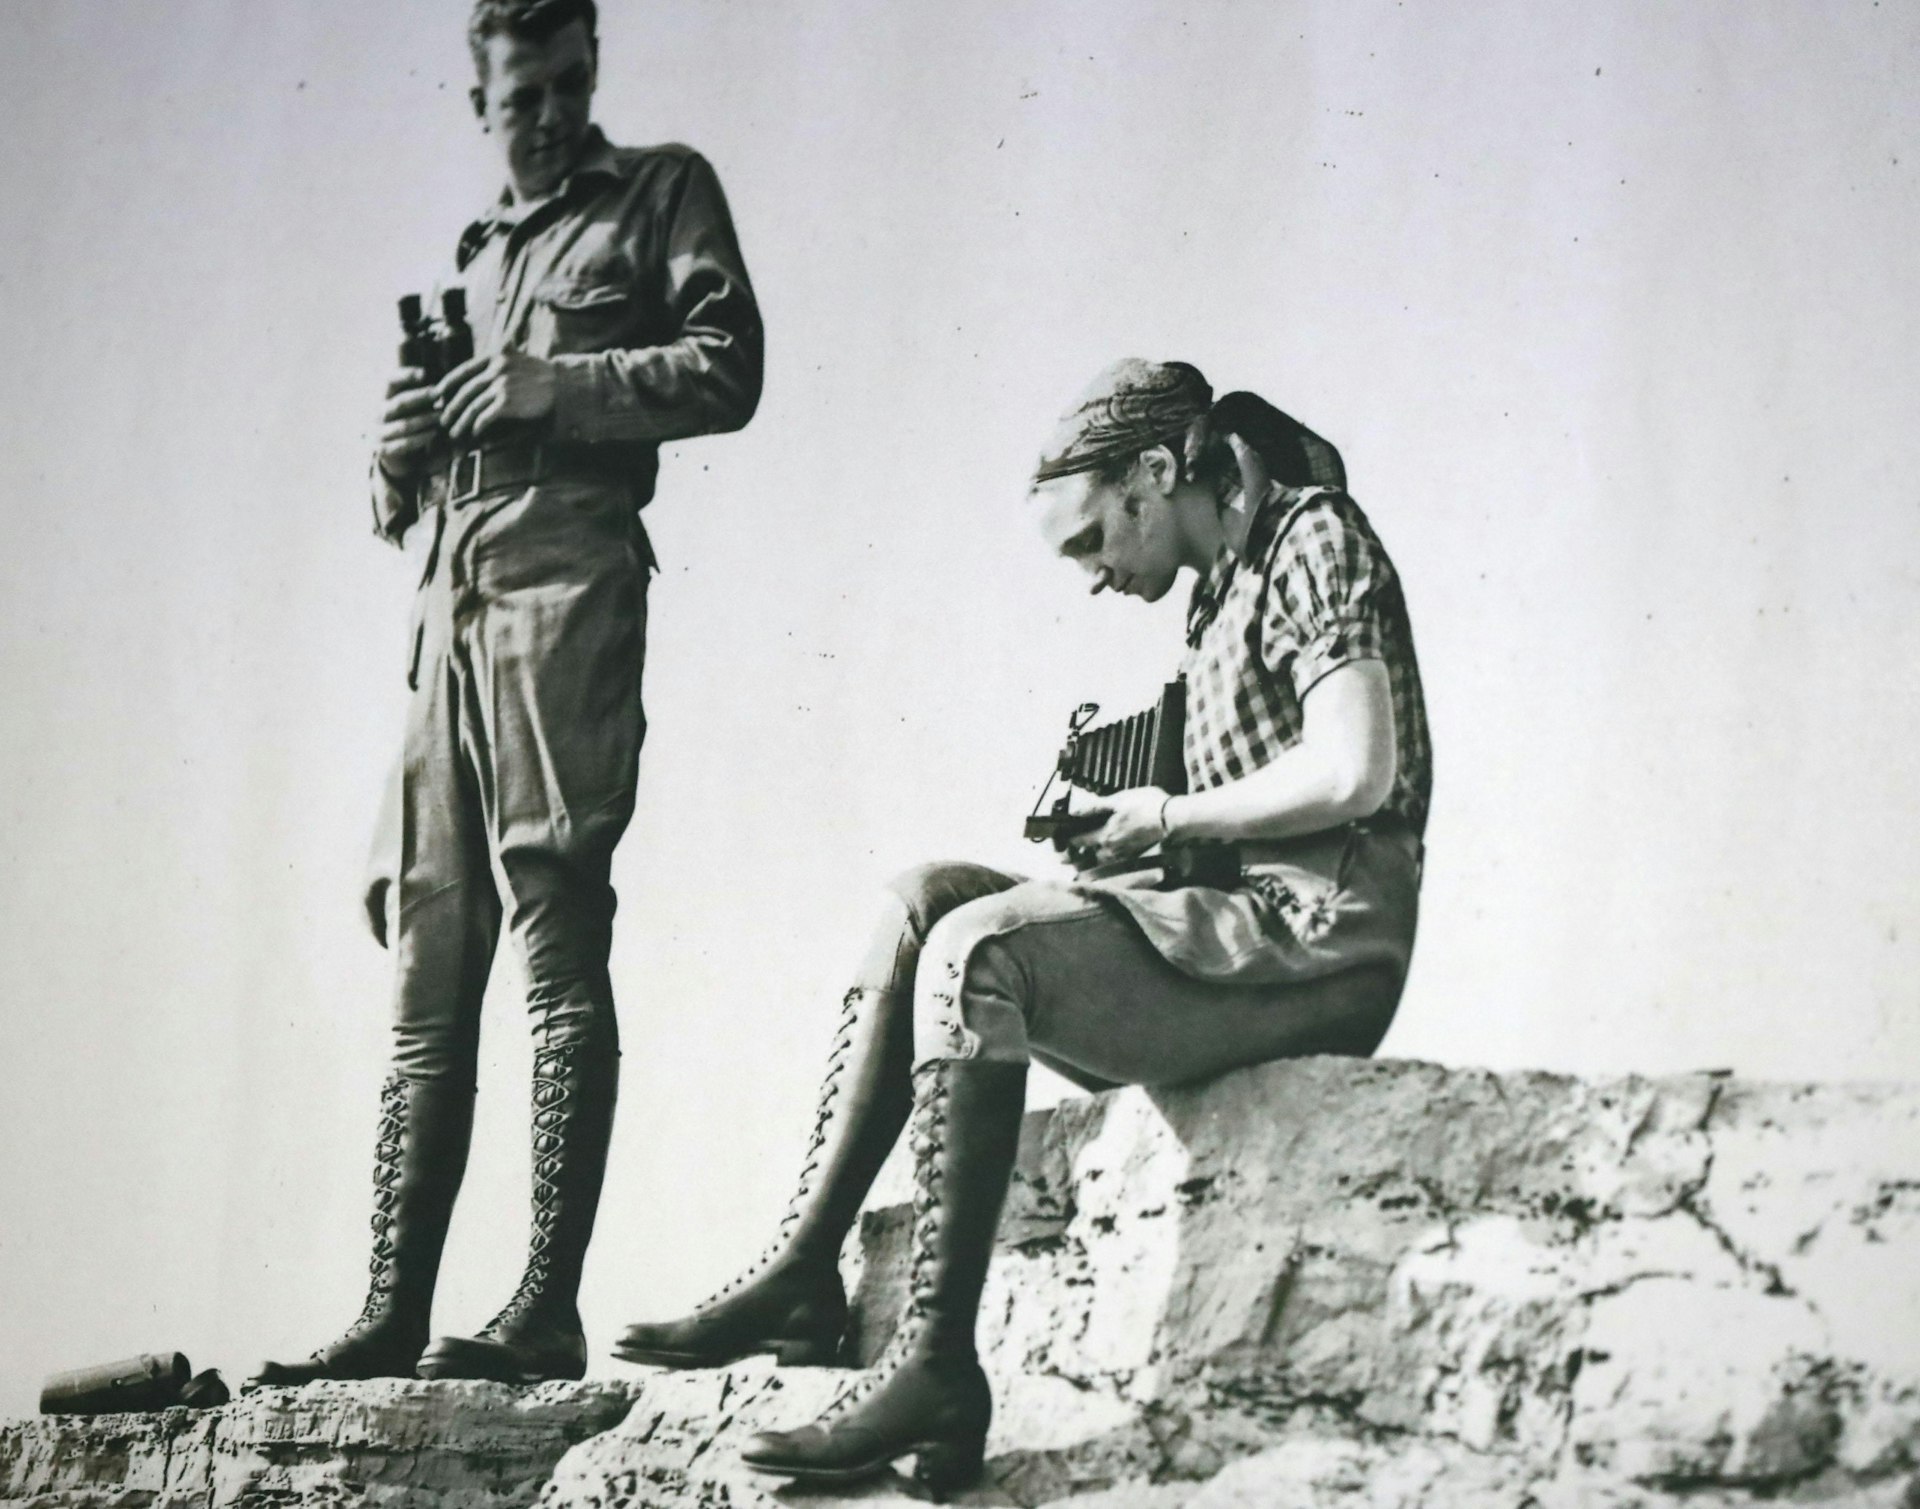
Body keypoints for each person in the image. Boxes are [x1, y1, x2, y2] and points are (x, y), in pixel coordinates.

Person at [613, 358, 1430, 1493]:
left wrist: (1167, 812)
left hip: (1321, 945)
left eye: (1095, 540)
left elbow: (1356, 768)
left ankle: (936, 1366)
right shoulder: (1212, 593)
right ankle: (802, 1270)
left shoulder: (1312, 536)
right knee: (923, 903)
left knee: (983, 948)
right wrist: (1134, 831)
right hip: (1235, 923)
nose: (1094, 576)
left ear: (1157, 472)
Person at [250, 0, 762, 1388]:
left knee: (555, 931)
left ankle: (544, 1303)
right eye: (519, 95)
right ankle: (389, 1307)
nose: (545, 116)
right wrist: (393, 454)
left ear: (591, 75)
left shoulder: (660, 193)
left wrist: (554, 384)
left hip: (567, 578)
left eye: (566, 86)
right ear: (475, 99)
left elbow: (729, 368)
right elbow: (394, 504)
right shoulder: (471, 258)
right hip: (446, 604)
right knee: (428, 964)